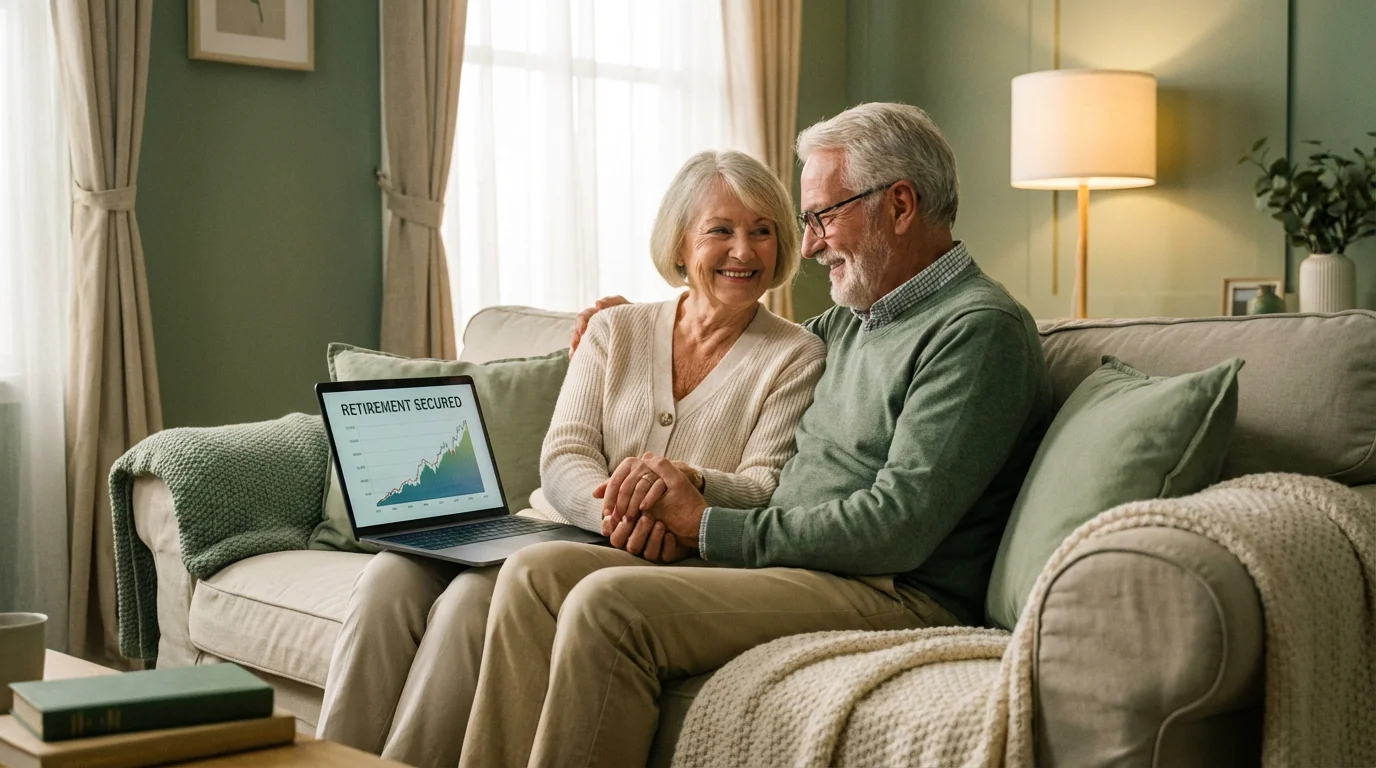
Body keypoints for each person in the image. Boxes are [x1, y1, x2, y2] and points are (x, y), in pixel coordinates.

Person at [457, 102, 1054, 768]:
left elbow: (900, 527)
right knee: (538, 574)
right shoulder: (855, 321)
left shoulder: (977, 329)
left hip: (892, 589)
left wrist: (706, 525)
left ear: (901, 205)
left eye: (824, 216)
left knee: (608, 606)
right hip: (806, 567)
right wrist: (643, 324)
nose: (812, 244)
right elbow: (750, 344)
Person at [314, 149, 826, 767]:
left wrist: (687, 484)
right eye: (721, 230)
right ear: (682, 245)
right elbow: (563, 456)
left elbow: (761, 486)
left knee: (470, 602)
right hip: (565, 525)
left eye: (762, 231)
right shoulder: (616, 330)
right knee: (388, 578)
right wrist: (617, 514)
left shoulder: (796, 355)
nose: (744, 251)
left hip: (655, 556)